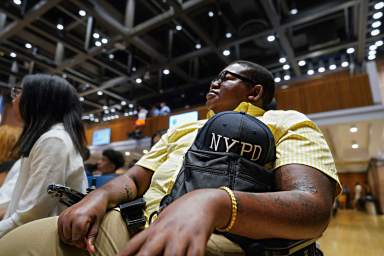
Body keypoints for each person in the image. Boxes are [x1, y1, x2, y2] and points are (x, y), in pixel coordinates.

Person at [0, 61, 340, 255]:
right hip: (133, 223)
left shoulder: (287, 121)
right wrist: (99, 197)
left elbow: (311, 208)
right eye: (215, 77)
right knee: (18, 245)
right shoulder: (181, 130)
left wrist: (213, 203)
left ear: (254, 92)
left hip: (220, 239)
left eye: (226, 77)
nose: (214, 82)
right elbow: (135, 179)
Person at [0, 74, 88, 238]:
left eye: (19, 92)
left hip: (37, 241)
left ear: (39, 99)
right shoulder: (48, 138)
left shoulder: (54, 140)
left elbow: (30, 216)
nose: (14, 98)